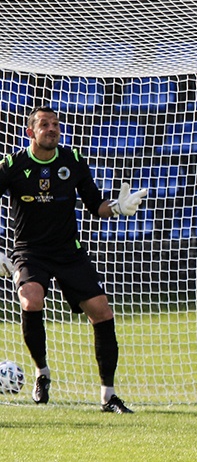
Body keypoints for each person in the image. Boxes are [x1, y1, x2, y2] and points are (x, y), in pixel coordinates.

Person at [0, 105, 148, 413]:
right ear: (31, 132)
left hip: (69, 251)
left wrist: (117, 208)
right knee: (30, 299)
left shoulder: (73, 160)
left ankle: (108, 396)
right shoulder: (13, 164)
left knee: (102, 312)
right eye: (44, 124)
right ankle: (42, 373)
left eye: (55, 124)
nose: (52, 128)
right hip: (29, 250)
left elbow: (96, 205)